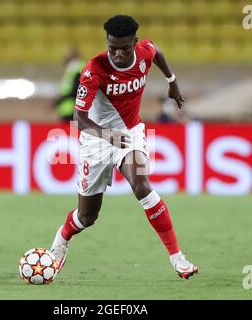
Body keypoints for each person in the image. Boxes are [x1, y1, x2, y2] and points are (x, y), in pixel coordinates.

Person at [49, 15, 198, 280]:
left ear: (135, 43)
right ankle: (61, 242)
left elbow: (158, 52)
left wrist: (172, 82)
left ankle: (178, 258)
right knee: (87, 216)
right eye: (112, 48)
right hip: (96, 139)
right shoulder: (93, 70)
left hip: (130, 132)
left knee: (142, 186)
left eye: (124, 48)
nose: (117, 54)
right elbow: (79, 119)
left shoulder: (145, 53)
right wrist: (107, 136)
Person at [53, 48, 85, 121]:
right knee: (70, 131)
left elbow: (76, 90)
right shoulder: (72, 69)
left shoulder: (77, 68)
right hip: (67, 108)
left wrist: (60, 99)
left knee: (72, 131)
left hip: (72, 108)